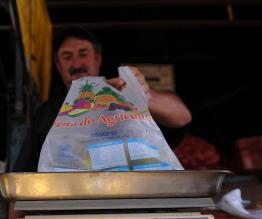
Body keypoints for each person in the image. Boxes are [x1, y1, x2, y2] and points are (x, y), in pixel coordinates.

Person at [13, 27, 192, 172]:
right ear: (59, 66)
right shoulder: (46, 112)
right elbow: (23, 175)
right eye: (67, 57)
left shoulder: (119, 95)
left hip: (129, 204)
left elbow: (181, 117)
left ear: (97, 59)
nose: (76, 64)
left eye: (83, 53)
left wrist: (139, 94)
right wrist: (14, 218)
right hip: (69, 209)